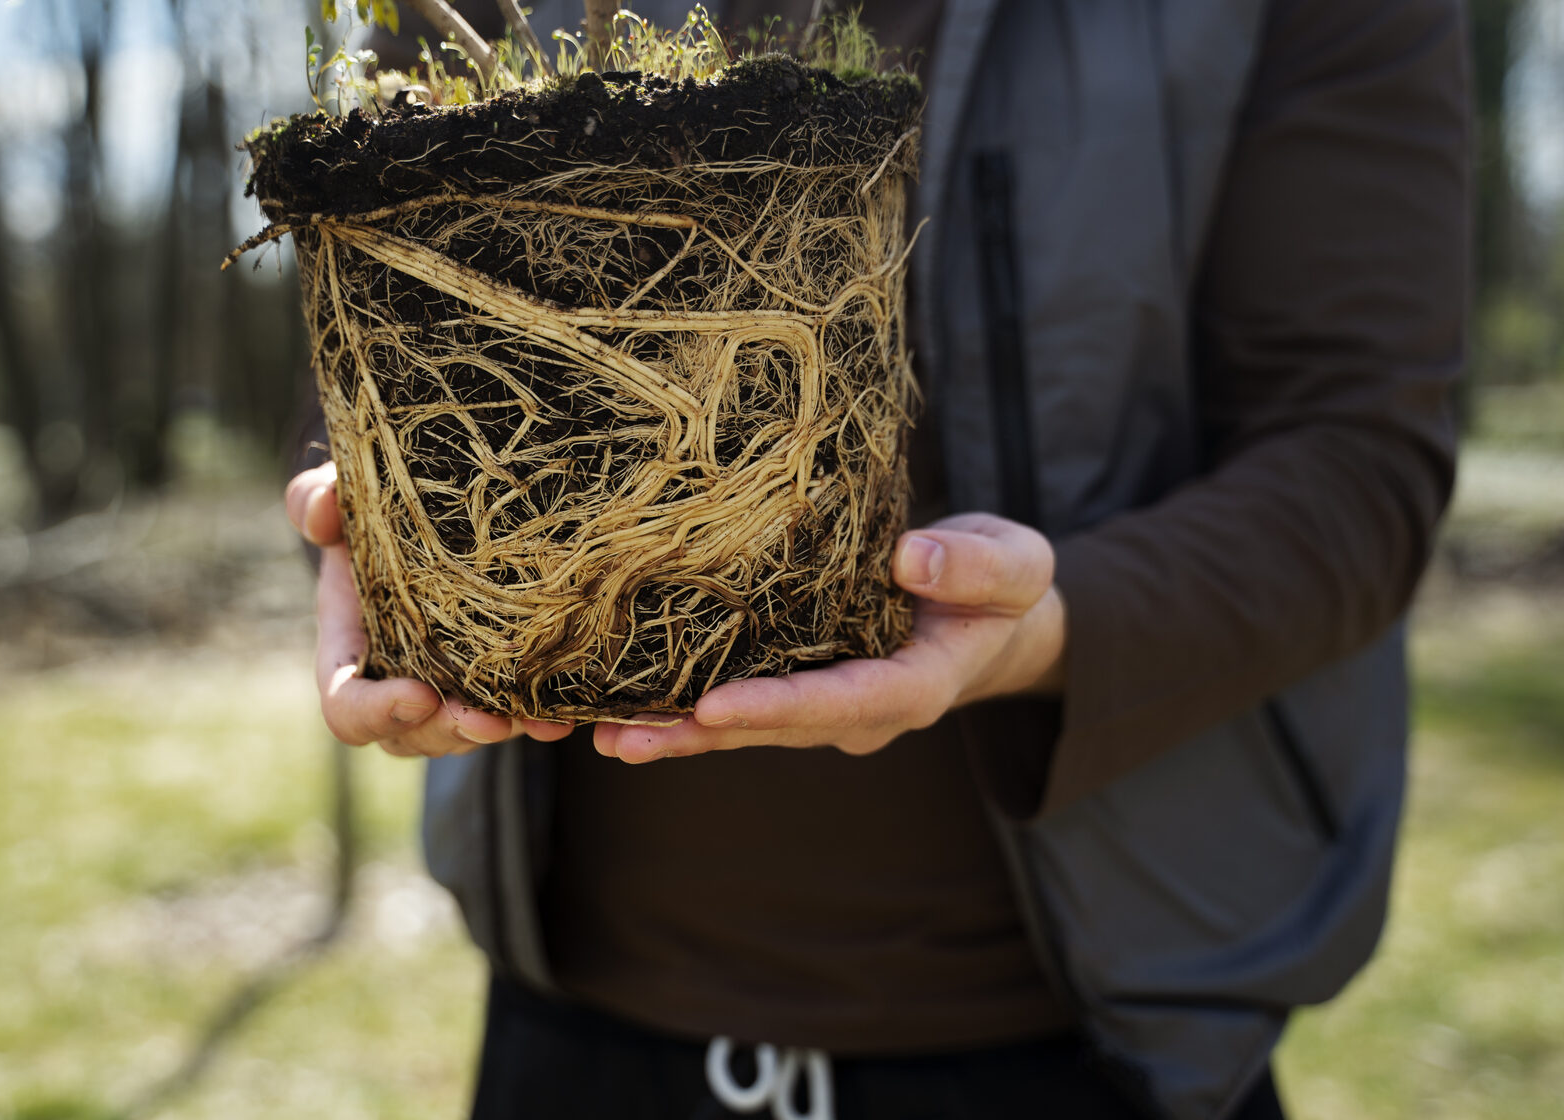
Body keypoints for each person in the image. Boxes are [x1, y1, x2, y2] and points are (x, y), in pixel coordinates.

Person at [283, 0, 1469, 1116]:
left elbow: (1357, 460)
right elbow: (372, 311)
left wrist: (1055, 626)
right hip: (570, 1024)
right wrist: (372, 541)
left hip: (1071, 1042)